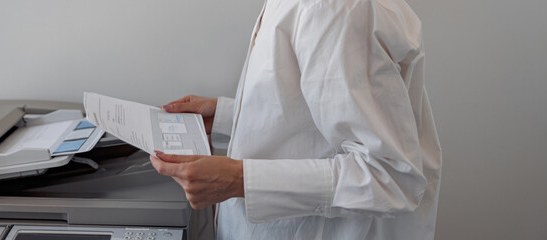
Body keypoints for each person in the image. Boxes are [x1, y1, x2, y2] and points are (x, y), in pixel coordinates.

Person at [148, 0, 442, 239]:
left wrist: (239, 180)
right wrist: (226, 115)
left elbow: (391, 177)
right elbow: (313, 107)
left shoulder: (332, 9)